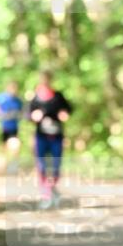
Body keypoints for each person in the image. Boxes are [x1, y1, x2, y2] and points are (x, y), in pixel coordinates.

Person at [28, 70, 72, 208]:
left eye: (48, 79)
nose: (45, 81)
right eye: (43, 79)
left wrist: (64, 114)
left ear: (51, 80)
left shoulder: (58, 96)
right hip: (41, 137)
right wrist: (33, 116)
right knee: (41, 166)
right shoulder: (35, 97)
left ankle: (52, 188)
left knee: (55, 167)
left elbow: (68, 110)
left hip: (56, 137)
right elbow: (27, 115)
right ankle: (46, 194)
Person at [0, 80, 24, 157]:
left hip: (14, 129)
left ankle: (12, 167)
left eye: (15, 88)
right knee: (4, 151)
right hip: (3, 129)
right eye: (12, 88)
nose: (13, 90)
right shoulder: (0, 98)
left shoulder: (18, 101)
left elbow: (21, 114)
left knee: (15, 148)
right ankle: (5, 166)